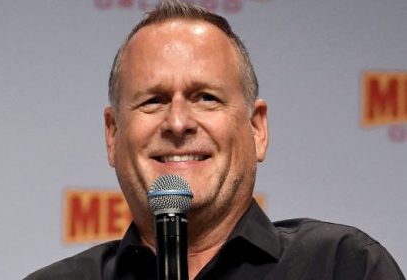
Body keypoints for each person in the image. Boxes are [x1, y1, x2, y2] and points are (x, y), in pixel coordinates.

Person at [25, 0, 405, 279]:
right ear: (112, 135)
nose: (177, 122)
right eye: (154, 100)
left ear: (257, 129)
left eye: (206, 97)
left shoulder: (344, 267)